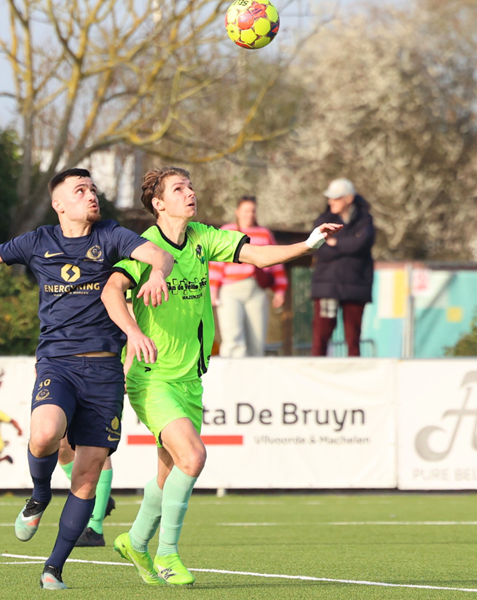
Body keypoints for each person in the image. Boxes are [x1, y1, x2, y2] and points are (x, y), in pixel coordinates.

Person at [0, 168, 173, 589]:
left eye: (93, 190)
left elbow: (159, 255)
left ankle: (54, 567)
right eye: (80, 191)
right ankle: (40, 494)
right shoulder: (38, 241)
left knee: (88, 473)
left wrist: (156, 272)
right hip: (57, 363)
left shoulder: (111, 234)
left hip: (104, 370)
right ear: (59, 204)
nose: (91, 196)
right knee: (44, 435)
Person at [101, 166, 341, 586]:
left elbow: (257, 255)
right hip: (151, 378)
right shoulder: (144, 248)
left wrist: (307, 244)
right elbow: (110, 291)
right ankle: (168, 555)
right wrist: (133, 332)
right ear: (158, 203)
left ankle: (135, 542)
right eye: (179, 189)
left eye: (190, 186)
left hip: (189, 381)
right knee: (193, 457)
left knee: (168, 472)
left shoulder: (202, 238)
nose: (190, 193)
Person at [209, 196, 288, 357]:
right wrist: (213, 289)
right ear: (237, 212)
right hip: (230, 290)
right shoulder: (228, 230)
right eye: (246, 211)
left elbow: (275, 263)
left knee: (257, 340)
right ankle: (231, 376)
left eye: (252, 211)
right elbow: (217, 263)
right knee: (233, 337)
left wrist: (280, 289)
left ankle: (254, 379)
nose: (249, 215)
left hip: (255, 290)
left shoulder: (264, 234)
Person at [310, 178, 375, 357]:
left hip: (355, 287)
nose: (331, 201)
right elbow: (318, 249)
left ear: (348, 198)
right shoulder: (323, 220)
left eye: (336, 198)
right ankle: (316, 372)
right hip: (327, 288)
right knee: (321, 335)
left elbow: (362, 243)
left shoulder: (365, 220)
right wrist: (347, 245)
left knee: (353, 338)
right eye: (330, 198)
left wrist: (334, 243)